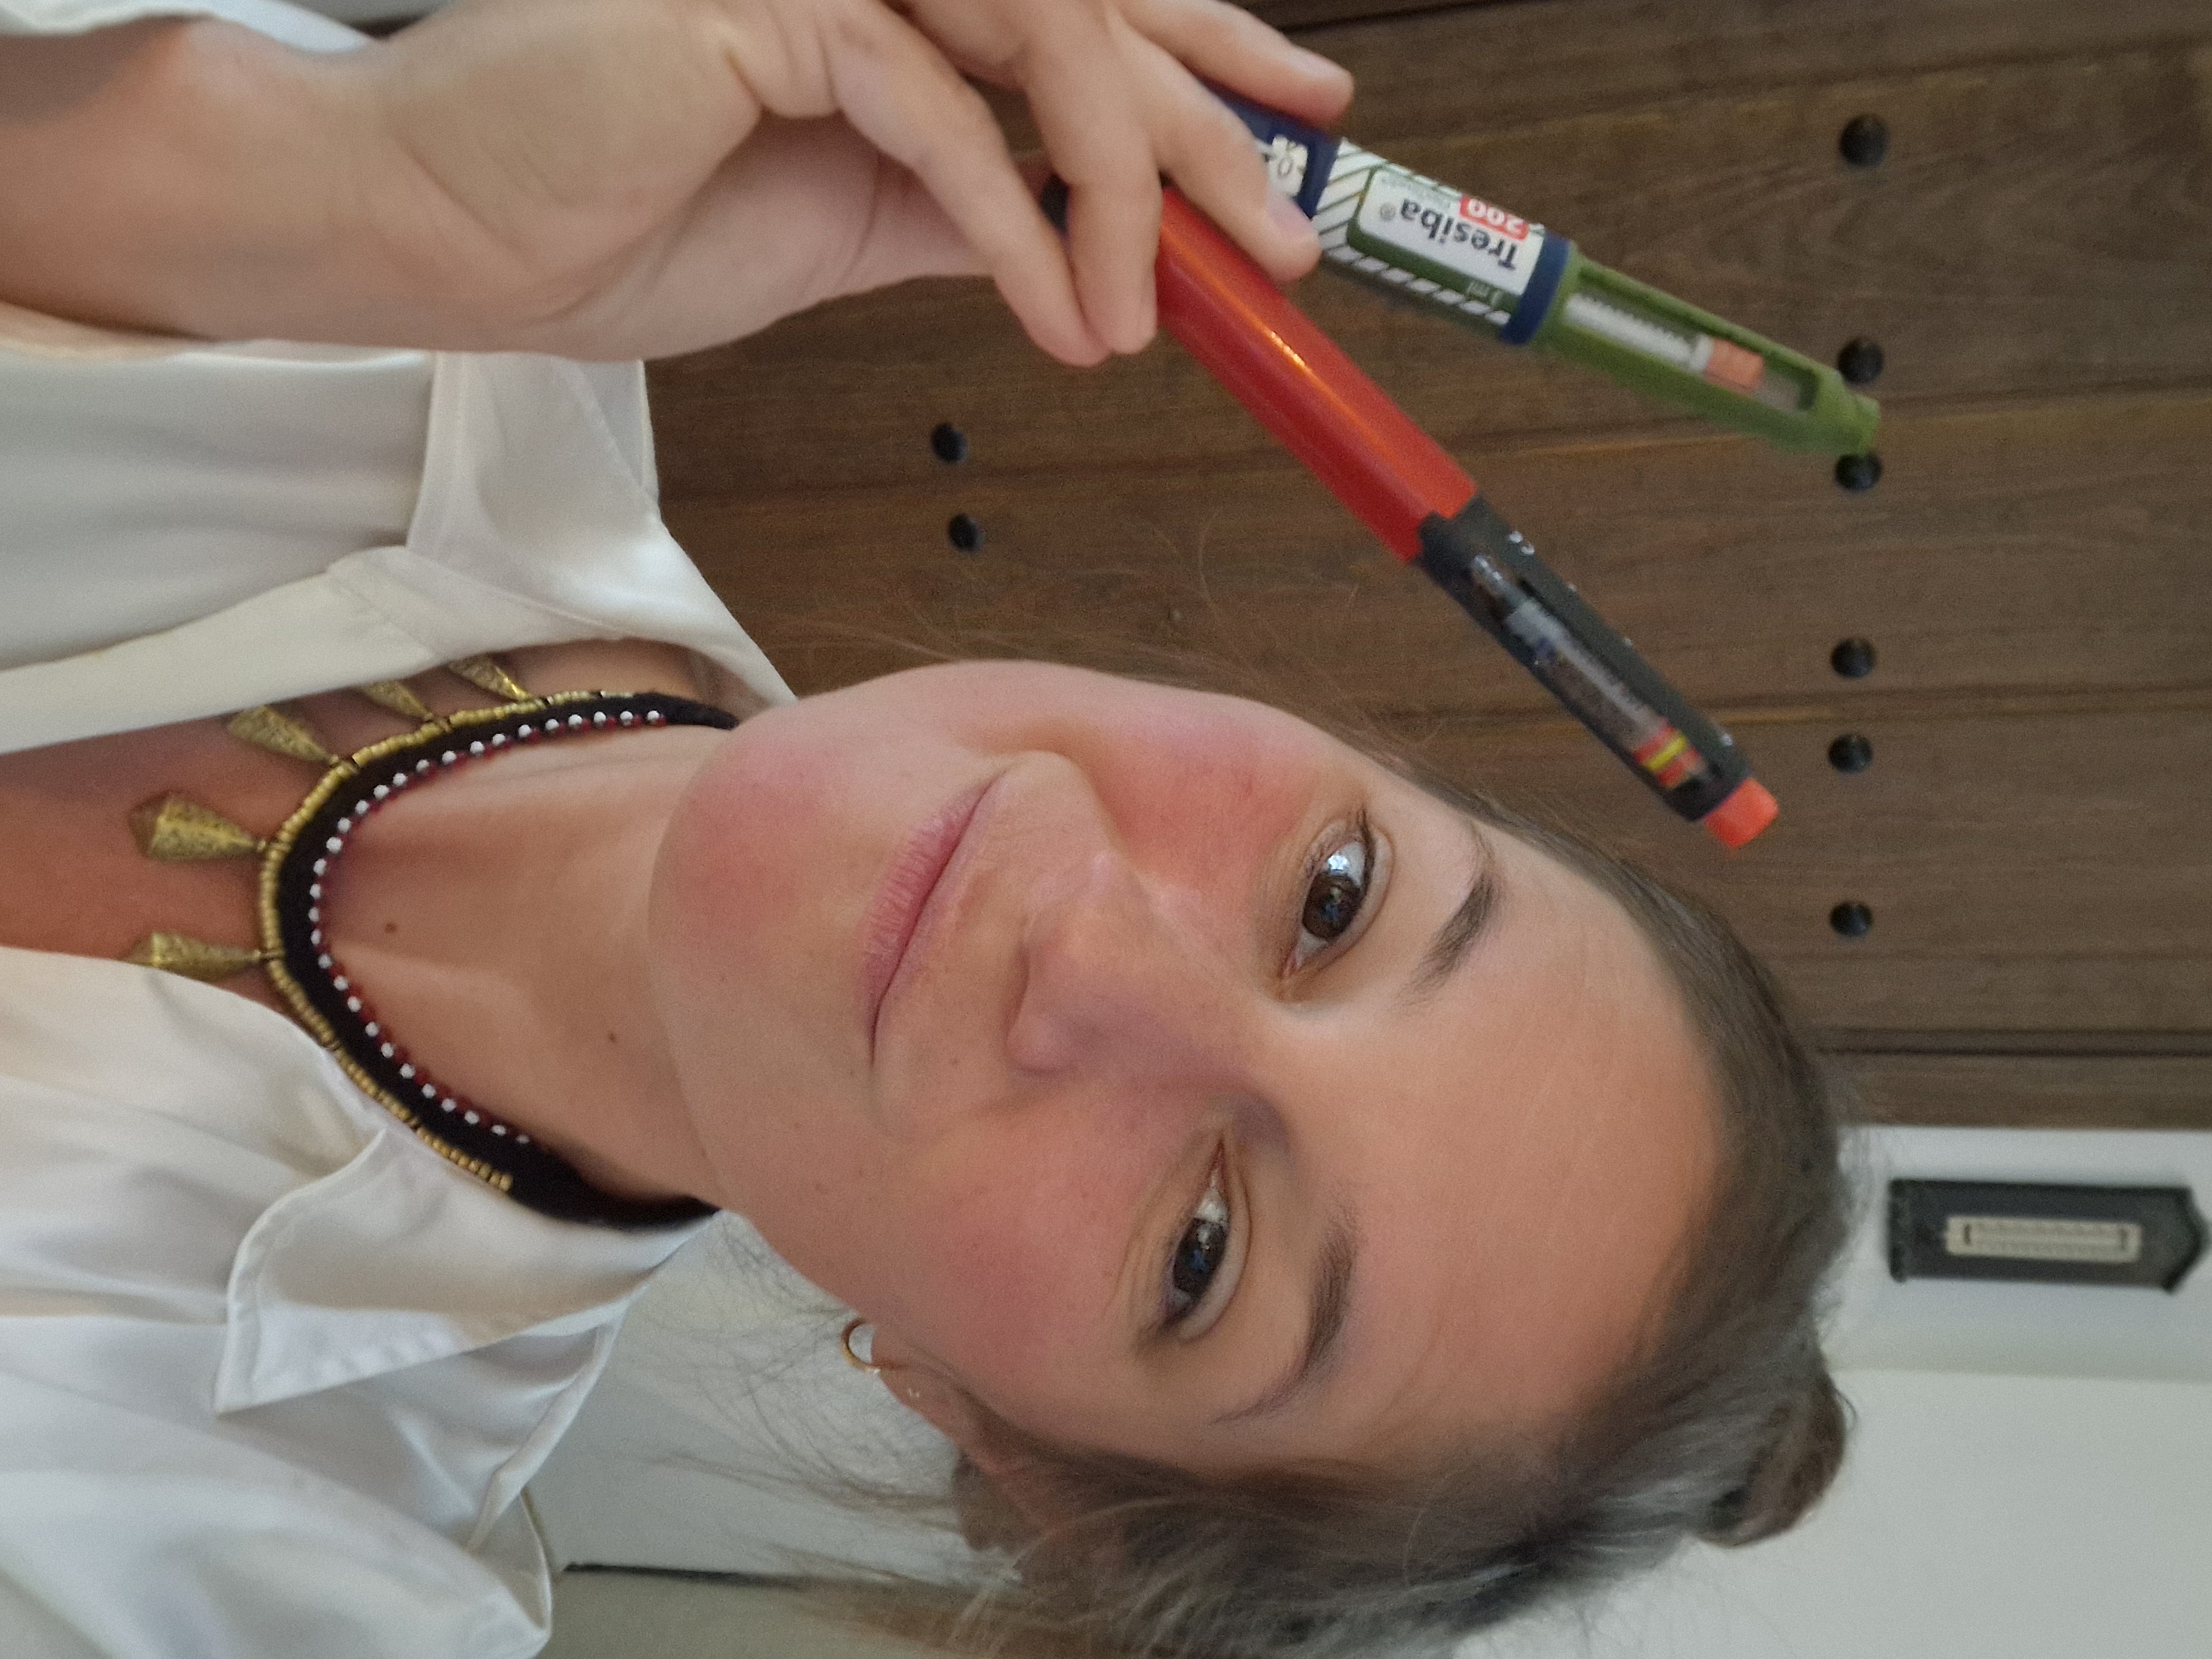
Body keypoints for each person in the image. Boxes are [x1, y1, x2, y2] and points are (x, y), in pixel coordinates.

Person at [0, 2, 1854, 1657]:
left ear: (1004, 1441)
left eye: (1199, 1248)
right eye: (1332, 897)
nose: (1097, 950)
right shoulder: (407, 310)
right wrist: (293, 181)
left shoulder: (231, 1576)